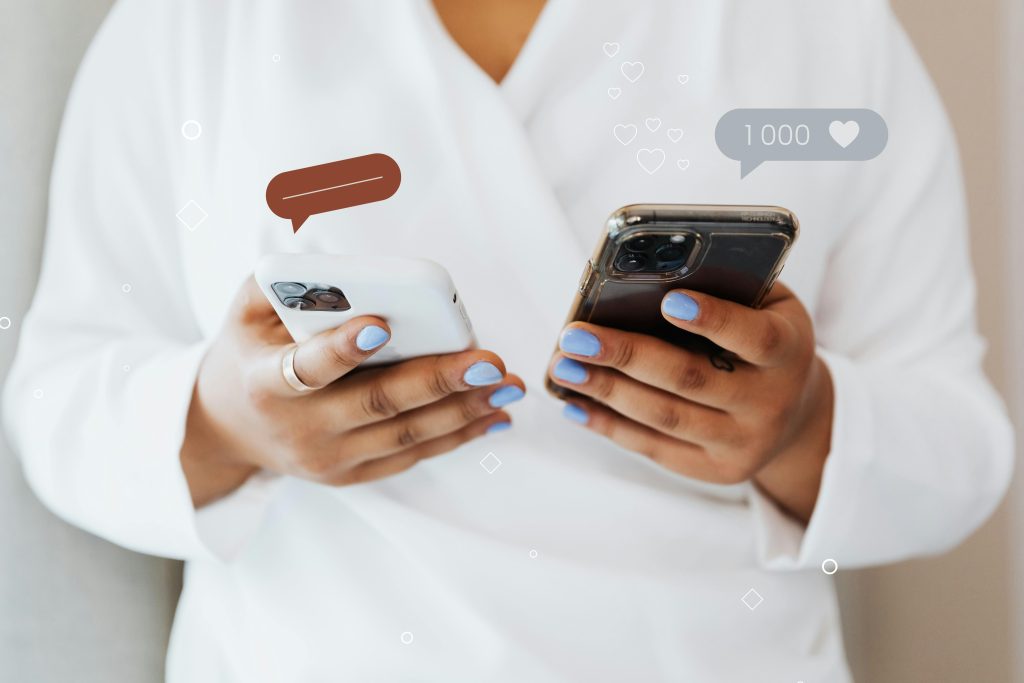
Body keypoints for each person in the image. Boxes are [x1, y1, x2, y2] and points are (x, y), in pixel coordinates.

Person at [3, 0, 1013, 680]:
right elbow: (61, 399)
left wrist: (803, 426)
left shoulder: (826, 28)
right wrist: (224, 423)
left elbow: (961, 449)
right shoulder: (191, 25)